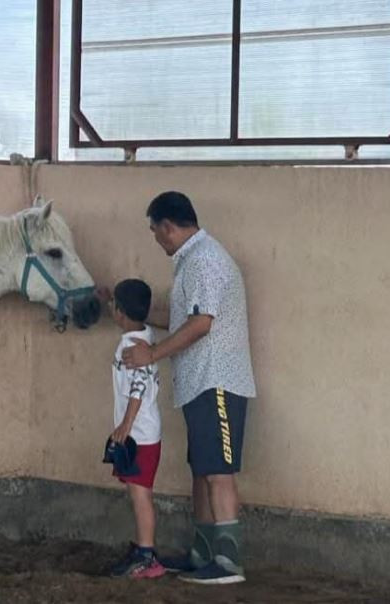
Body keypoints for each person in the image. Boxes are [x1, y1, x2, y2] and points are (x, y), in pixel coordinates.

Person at [122, 191, 256, 585]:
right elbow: (184, 317)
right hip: (200, 382)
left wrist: (152, 354)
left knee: (217, 470)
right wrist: (130, 309)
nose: (156, 239)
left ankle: (228, 561)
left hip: (217, 379)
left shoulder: (205, 260)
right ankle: (202, 552)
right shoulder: (192, 261)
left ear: (167, 226)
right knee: (201, 469)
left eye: (154, 231)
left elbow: (201, 324)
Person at [106, 279, 164, 579]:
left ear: (120, 312)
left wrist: (126, 425)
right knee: (137, 492)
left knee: (141, 496)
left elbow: (138, 387)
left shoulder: (134, 347)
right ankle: (143, 549)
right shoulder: (144, 335)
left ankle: (146, 557)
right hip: (141, 434)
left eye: (113, 305)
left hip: (139, 436)